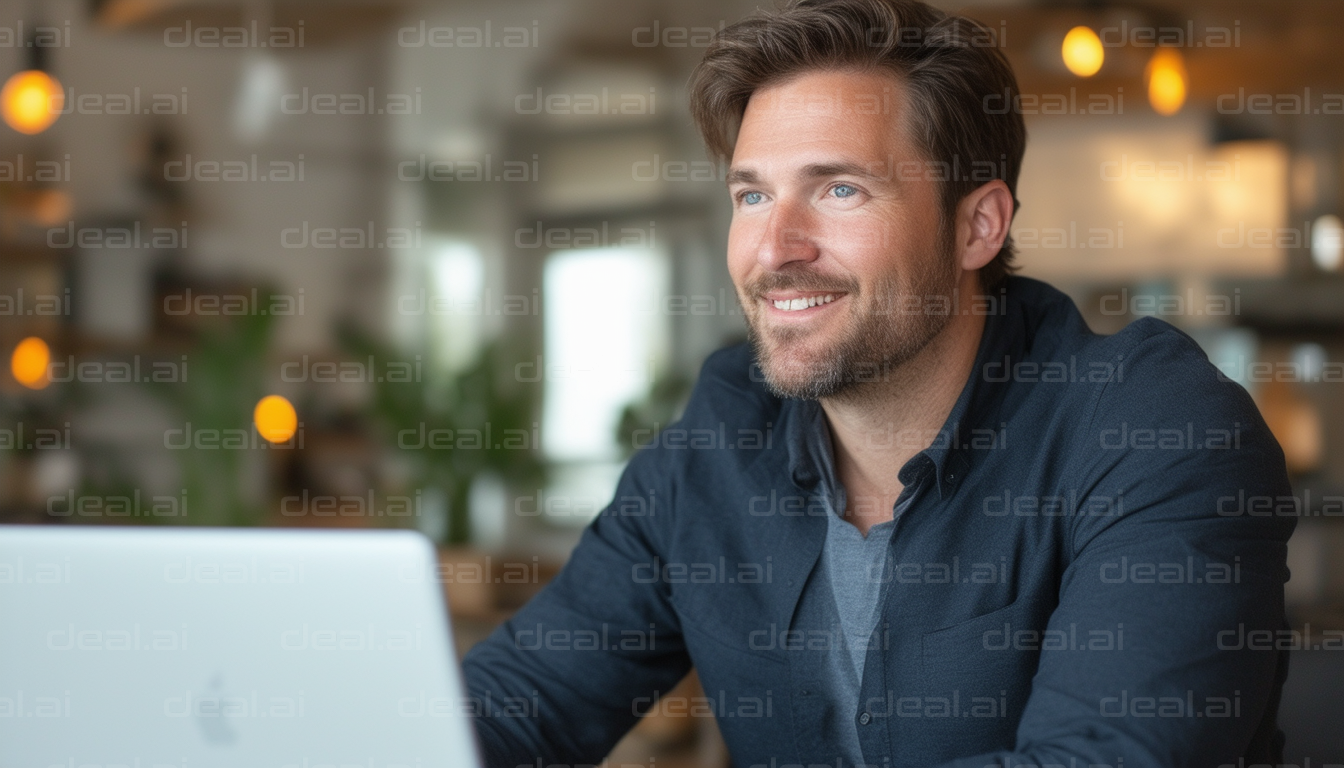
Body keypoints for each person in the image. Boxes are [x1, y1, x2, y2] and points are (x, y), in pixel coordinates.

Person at [462, 1, 1296, 766]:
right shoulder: (717, 445)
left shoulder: (1153, 432)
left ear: (977, 225)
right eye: (752, 194)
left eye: (840, 188)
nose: (775, 245)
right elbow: (518, 704)